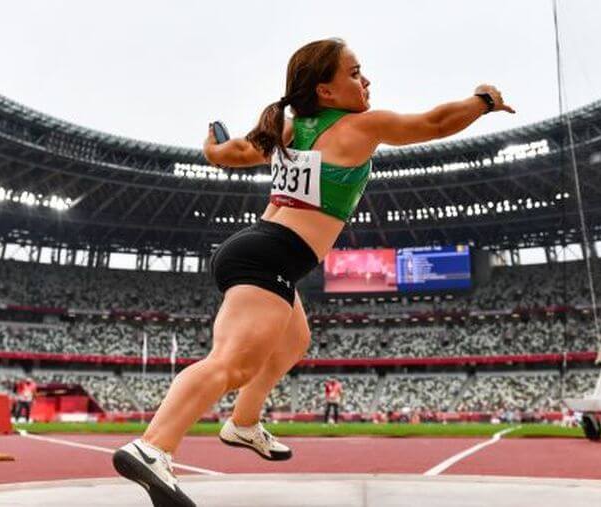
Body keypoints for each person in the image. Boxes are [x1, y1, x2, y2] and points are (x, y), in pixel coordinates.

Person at [112, 38, 514, 507]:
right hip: (271, 256)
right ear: (325, 91)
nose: (366, 81)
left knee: (294, 339)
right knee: (232, 363)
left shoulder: (289, 129)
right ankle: (152, 447)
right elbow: (434, 123)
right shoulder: (362, 125)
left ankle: (243, 423)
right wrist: (482, 100)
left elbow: (231, 154)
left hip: (263, 250)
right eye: (355, 73)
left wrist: (212, 147)